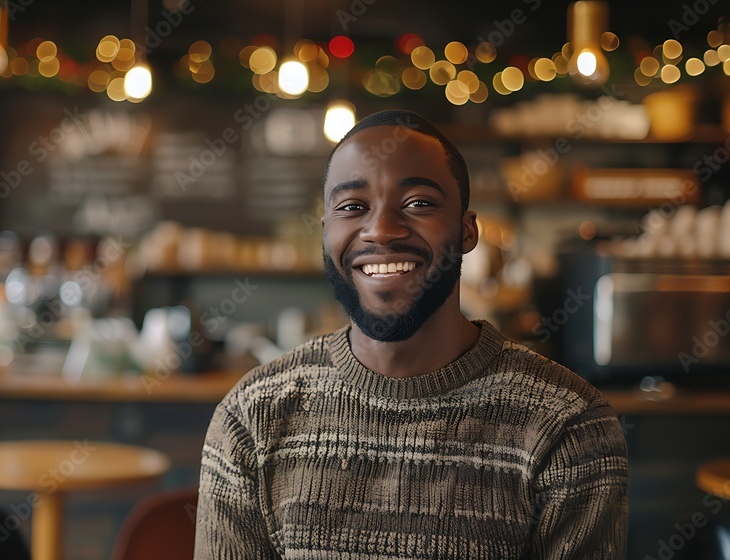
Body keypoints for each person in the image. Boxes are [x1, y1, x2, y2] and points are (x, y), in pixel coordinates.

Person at [195, 109, 628, 559]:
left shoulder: (569, 426)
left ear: (466, 231)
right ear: (326, 234)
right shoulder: (251, 418)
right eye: (352, 207)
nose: (381, 229)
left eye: (419, 203)